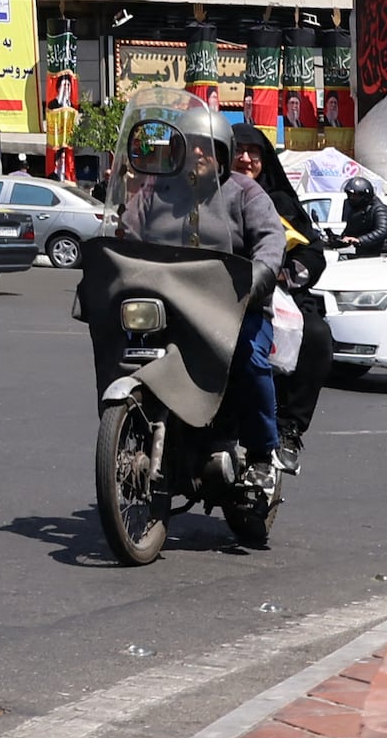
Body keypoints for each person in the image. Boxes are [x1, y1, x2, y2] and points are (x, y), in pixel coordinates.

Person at [116, 102, 286, 543]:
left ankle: (266, 455)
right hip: (169, 307)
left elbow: (271, 239)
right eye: (191, 146)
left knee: (249, 359)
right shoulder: (154, 191)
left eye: (208, 149)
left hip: (234, 307)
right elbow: (128, 231)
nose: (198, 155)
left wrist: (257, 279)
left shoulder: (244, 192)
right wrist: (111, 241)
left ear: (224, 153)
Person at [239, 127, 331, 461]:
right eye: (237, 150)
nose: (245, 159)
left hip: (271, 292)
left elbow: (312, 253)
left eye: (254, 152)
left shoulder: (280, 203)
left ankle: (289, 427)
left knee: (316, 335)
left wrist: (284, 275)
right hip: (212, 289)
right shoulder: (206, 195)